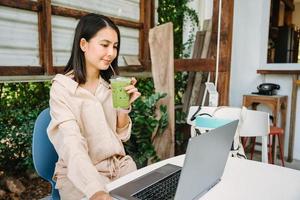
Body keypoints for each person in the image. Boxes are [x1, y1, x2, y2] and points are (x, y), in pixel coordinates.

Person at [47, 13, 141, 200]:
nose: (111, 53)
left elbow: (120, 137)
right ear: (83, 45)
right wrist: (96, 191)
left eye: (114, 47)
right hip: (81, 175)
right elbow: (71, 144)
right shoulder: (62, 89)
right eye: (104, 45)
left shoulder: (109, 87)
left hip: (117, 167)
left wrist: (123, 109)